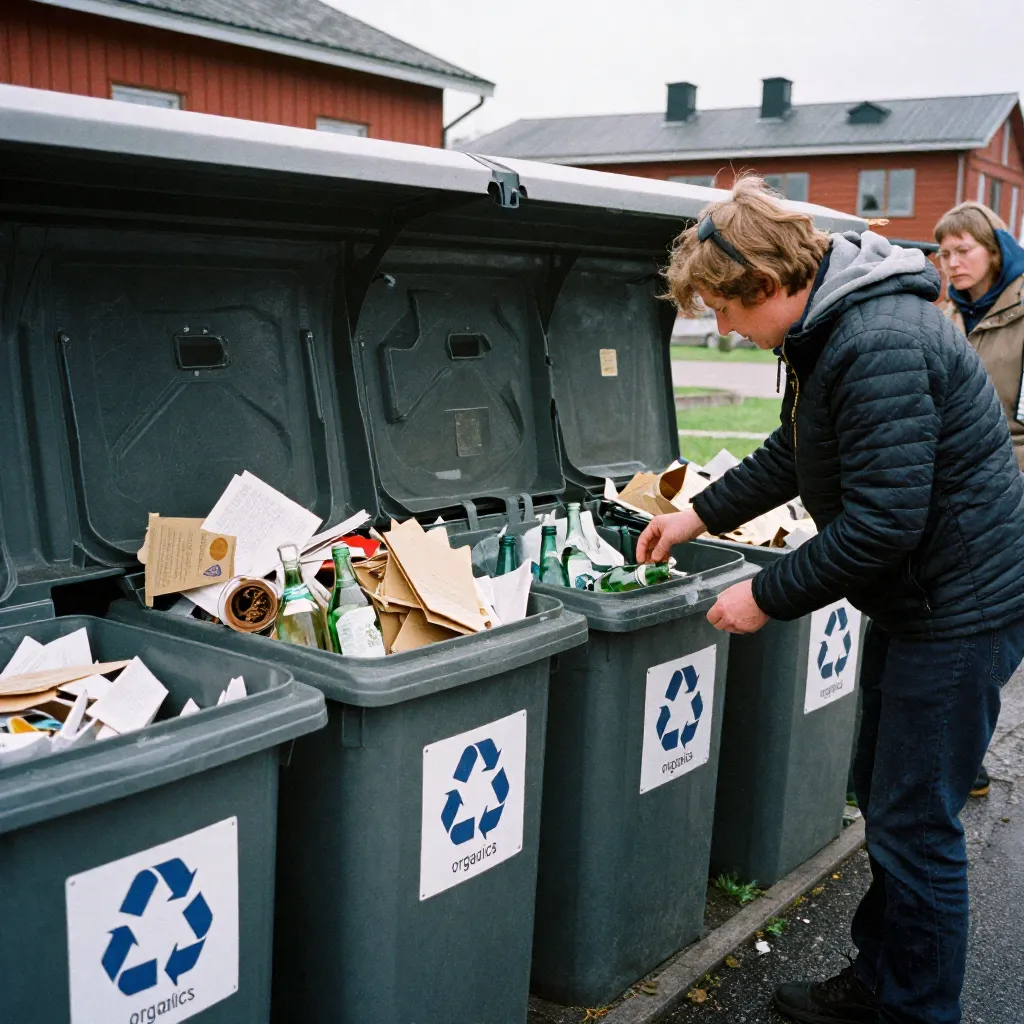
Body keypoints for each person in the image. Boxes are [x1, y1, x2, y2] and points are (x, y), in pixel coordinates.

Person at [636, 177, 1024, 1024]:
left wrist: (764, 597)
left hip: (958, 609)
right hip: (922, 599)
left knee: (916, 825)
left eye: (725, 311)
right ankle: (880, 982)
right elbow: (799, 449)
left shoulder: (876, 339)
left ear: (768, 284)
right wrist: (696, 512)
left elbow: (885, 521)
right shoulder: (835, 325)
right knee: (887, 802)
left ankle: (913, 1011)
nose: (726, 328)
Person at [934, 202, 1024, 801]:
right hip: (945, 490)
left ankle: (967, 756)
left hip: (1007, 490)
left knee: (990, 632)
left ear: (993, 250)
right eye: (943, 252)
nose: (951, 262)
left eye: (963, 249)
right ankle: (950, 751)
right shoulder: (943, 312)